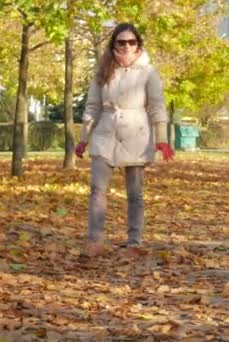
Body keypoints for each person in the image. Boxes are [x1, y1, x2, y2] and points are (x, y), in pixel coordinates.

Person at [75, 23, 174, 257]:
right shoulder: (103, 70)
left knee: (135, 192)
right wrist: (83, 138)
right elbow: (92, 106)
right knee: (97, 189)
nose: (127, 46)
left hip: (136, 133)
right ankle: (95, 240)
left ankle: (134, 241)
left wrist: (162, 138)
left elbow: (156, 105)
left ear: (138, 44)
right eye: (121, 42)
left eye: (131, 42)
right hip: (105, 132)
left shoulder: (148, 72)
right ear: (114, 44)